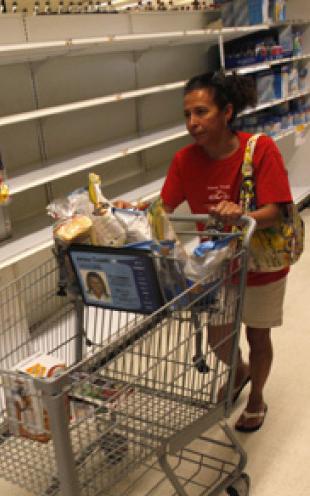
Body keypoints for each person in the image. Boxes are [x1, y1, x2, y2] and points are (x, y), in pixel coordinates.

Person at [119, 71, 292, 433]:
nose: (192, 123)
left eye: (201, 112)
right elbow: (163, 206)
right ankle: (238, 370)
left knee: (257, 335)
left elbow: (275, 210)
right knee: (218, 337)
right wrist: (130, 209)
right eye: (187, 115)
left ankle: (257, 396)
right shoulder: (185, 160)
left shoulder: (259, 149)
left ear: (226, 112)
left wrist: (242, 214)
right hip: (216, 264)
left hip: (260, 263)